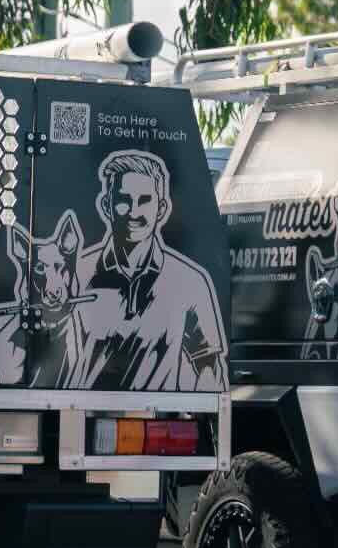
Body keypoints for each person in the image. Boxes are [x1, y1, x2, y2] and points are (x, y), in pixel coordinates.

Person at [75, 149, 227, 391]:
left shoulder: (191, 282)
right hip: (77, 412)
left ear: (162, 208)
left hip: (160, 414)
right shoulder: (77, 275)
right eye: (124, 200)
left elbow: (208, 365)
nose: (134, 212)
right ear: (107, 205)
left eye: (144, 200)